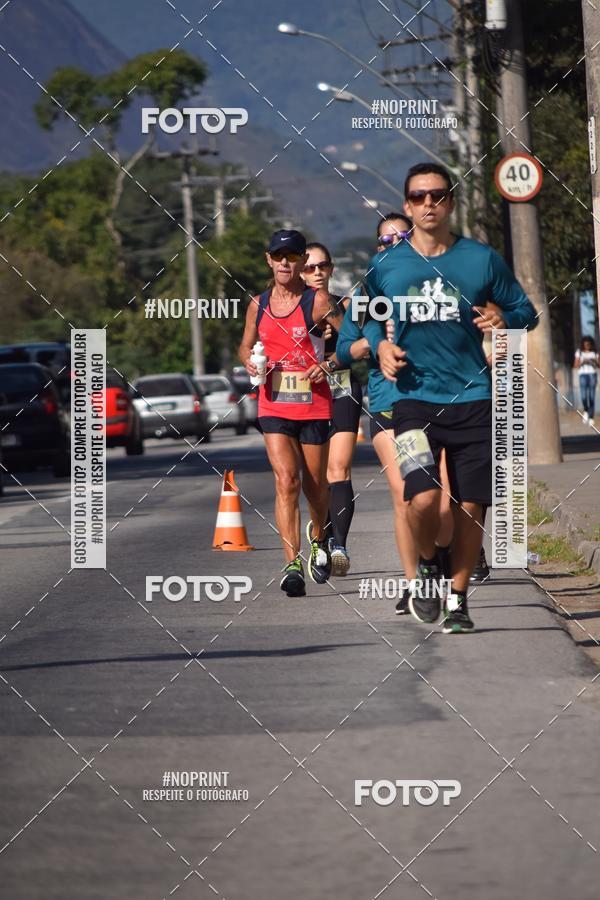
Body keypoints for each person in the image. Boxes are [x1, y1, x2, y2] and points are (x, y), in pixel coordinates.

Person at [363, 162, 538, 633]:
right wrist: (378, 345)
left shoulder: (479, 259)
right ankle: (426, 566)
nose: (428, 204)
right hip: (413, 402)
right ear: (406, 205)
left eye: (438, 195)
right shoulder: (387, 265)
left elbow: (527, 311)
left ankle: (457, 599)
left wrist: (504, 318)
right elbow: (362, 319)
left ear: (451, 203)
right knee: (419, 498)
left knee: (470, 505)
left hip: (474, 397)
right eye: (419, 197)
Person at [238, 229, 341, 597]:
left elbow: (350, 339)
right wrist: (251, 363)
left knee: (316, 486)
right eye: (278, 256)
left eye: (292, 256)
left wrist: (329, 364)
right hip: (273, 404)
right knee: (286, 481)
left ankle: (320, 537)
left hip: (313, 404)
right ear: (269, 260)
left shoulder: (316, 300)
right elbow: (245, 346)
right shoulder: (258, 304)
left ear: (300, 261)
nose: (285, 262)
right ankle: (291, 563)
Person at [300, 242, 362, 576]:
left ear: (332, 268)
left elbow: (362, 347)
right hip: (303, 396)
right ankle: (319, 537)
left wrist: (337, 328)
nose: (317, 273)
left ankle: (339, 546)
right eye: (310, 268)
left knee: (338, 470)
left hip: (341, 387)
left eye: (323, 266)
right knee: (314, 477)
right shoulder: (289, 307)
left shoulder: (345, 306)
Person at [574, 335, 599, 426]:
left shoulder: (594, 353)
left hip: (592, 374)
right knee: (584, 396)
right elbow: (575, 365)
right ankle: (586, 410)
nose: (587, 346)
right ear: (583, 344)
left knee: (592, 396)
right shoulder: (579, 352)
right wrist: (583, 362)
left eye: (589, 344)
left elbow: (599, 365)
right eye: (585, 344)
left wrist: (594, 361)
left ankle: (591, 417)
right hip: (583, 375)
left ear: (591, 344)